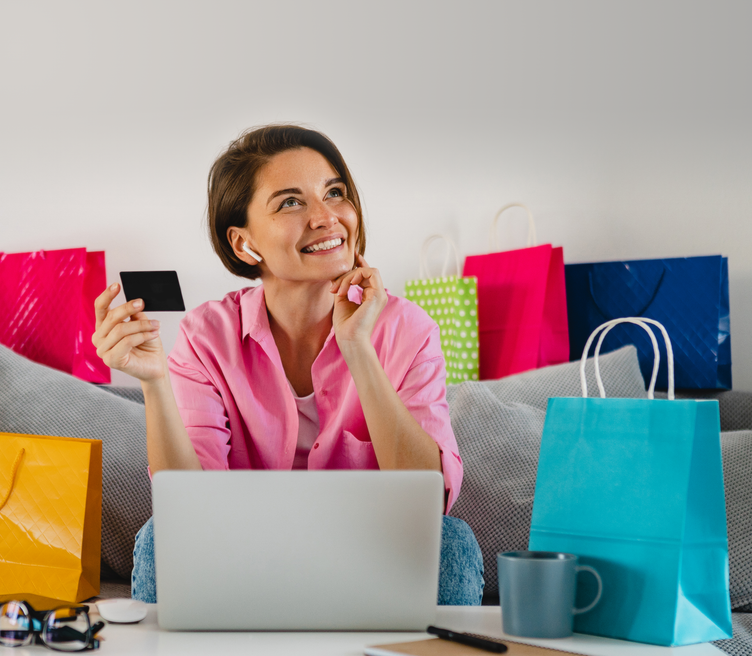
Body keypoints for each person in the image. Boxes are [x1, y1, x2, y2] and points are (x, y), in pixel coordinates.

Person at [92, 124, 483, 605]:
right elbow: (188, 510)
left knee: (453, 544)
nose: (327, 217)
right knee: (160, 538)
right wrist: (154, 385)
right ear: (243, 243)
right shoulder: (206, 336)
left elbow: (429, 504)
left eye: (335, 193)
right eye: (291, 202)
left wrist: (358, 348)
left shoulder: (409, 331)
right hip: (245, 560)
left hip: (370, 558)